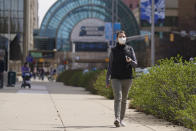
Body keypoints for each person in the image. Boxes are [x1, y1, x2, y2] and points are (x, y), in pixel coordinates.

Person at [106, 30, 137, 127]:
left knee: (124, 100)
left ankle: (121, 119)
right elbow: (110, 65)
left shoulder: (130, 49)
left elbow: (135, 64)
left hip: (127, 78)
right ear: (117, 38)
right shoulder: (113, 50)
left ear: (126, 37)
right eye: (120, 36)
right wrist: (107, 78)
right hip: (115, 77)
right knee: (118, 97)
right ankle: (116, 118)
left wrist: (131, 60)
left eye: (124, 36)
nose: (122, 38)